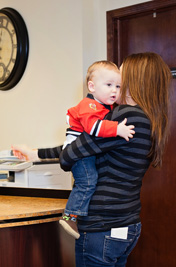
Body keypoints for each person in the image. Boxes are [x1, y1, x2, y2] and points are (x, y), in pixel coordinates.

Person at [13, 52, 171, 266]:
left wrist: (67, 156)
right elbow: (86, 145)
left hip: (102, 226)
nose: (117, 84)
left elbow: (71, 153)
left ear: (134, 79)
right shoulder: (146, 119)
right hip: (127, 224)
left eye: (121, 76)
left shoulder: (126, 116)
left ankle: (70, 218)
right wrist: (35, 154)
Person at [23, 61, 136, 239]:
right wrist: (118, 129)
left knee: (87, 182)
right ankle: (70, 217)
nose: (114, 90)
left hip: (82, 153)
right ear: (92, 86)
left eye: (118, 86)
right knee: (88, 183)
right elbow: (93, 128)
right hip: (79, 156)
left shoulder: (105, 106)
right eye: (108, 85)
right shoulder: (89, 105)